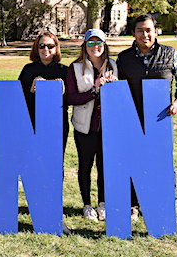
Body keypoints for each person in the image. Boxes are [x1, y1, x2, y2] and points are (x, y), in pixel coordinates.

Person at [117, 14, 177, 221]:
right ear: (133, 33)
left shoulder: (170, 53)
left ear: (155, 31)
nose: (145, 34)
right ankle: (132, 204)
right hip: (133, 118)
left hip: (160, 120)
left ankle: (163, 201)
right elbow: (117, 86)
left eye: (148, 30)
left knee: (162, 162)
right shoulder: (123, 58)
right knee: (133, 160)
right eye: (140, 30)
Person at [66, 28, 118, 222]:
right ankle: (87, 204)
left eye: (99, 43)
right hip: (85, 126)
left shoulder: (113, 65)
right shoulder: (75, 68)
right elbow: (71, 97)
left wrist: (113, 85)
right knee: (85, 166)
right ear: (84, 46)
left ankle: (103, 203)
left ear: (104, 45)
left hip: (108, 126)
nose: (95, 47)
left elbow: (120, 93)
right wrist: (94, 90)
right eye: (90, 43)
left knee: (104, 166)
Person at [18, 31, 68, 145]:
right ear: (37, 48)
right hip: (32, 121)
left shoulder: (64, 70)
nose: (46, 49)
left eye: (50, 46)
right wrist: (31, 90)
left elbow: (72, 100)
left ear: (56, 48)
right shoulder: (28, 70)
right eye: (42, 46)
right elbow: (18, 98)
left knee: (56, 160)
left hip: (57, 122)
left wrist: (64, 92)